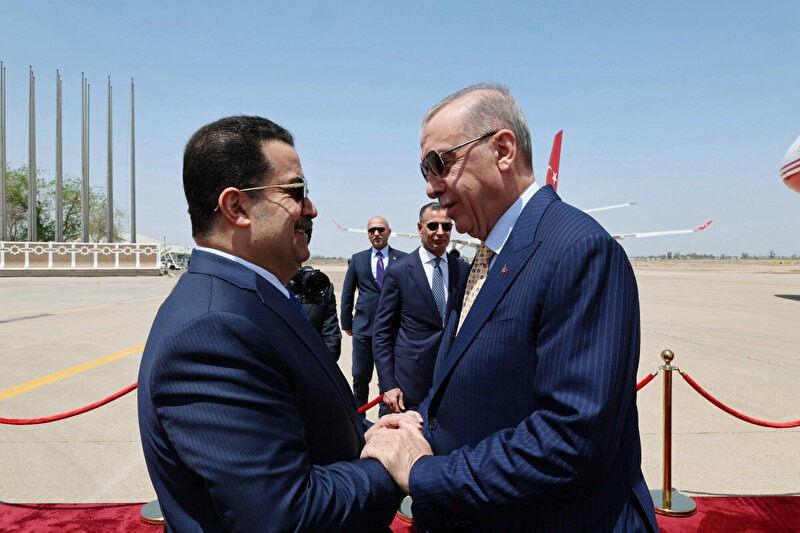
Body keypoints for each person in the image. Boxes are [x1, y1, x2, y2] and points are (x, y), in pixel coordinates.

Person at [362, 85, 658, 532]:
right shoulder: (486, 257)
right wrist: (418, 424)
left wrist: (425, 472)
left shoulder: (579, 251)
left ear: (502, 150)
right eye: (425, 169)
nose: (430, 186)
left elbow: (572, 438)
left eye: (439, 163)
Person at [137, 116, 405, 531]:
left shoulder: (253, 296)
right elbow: (283, 514)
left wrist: (371, 434)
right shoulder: (212, 331)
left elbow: (303, 422)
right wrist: (394, 464)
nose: (311, 209)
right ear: (236, 208)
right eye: (296, 192)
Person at [372, 202, 469, 414]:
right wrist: (388, 384)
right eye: (433, 226)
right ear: (420, 228)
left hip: (450, 381)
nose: (440, 232)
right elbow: (382, 333)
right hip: (410, 384)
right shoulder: (399, 271)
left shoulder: (462, 270)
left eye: (446, 226)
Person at [340, 216, 405, 408]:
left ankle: (386, 414)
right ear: (368, 234)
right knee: (360, 375)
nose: (376, 233)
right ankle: (358, 414)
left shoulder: (402, 259)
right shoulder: (357, 259)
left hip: (392, 328)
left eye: (380, 229)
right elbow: (347, 293)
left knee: (388, 378)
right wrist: (347, 323)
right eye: (372, 230)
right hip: (364, 327)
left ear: (389, 232)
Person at [290, 265, 342, 360]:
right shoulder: (265, 287)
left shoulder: (319, 286)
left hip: (313, 363)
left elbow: (331, 338)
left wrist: (320, 364)